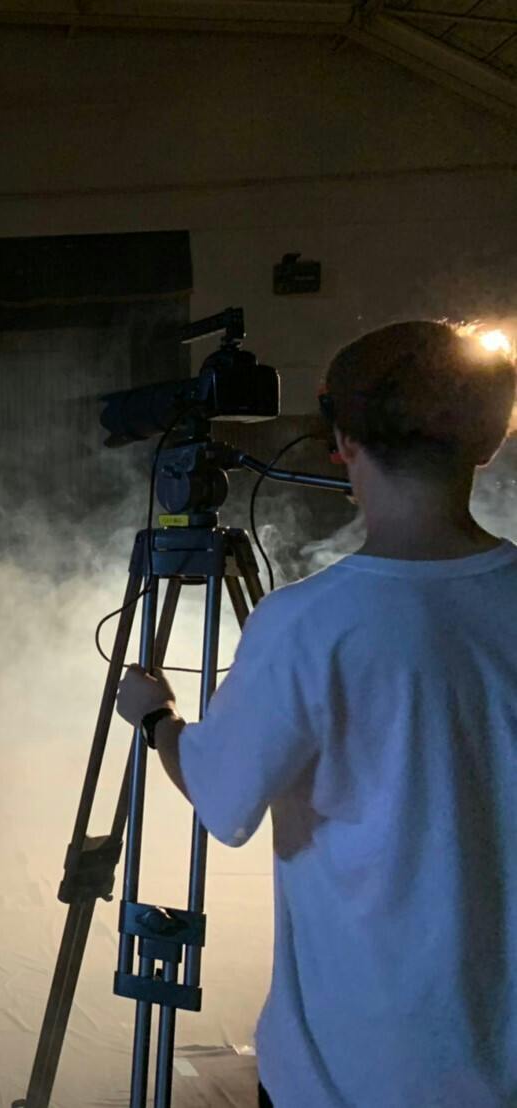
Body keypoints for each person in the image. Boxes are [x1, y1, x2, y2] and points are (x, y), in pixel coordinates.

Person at [115, 320, 517, 1108]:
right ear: (489, 442)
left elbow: (222, 799)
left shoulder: (308, 623)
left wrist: (156, 718)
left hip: (350, 1077)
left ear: (343, 442)